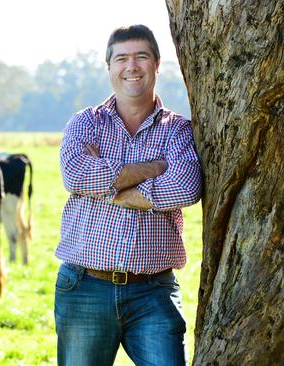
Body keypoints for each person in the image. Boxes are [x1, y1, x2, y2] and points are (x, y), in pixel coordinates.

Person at [54, 24, 202, 366]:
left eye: (141, 57)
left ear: (157, 64)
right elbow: (75, 174)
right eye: (121, 58)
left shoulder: (178, 129)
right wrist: (155, 168)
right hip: (85, 287)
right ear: (109, 67)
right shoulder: (86, 123)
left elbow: (187, 186)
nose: (131, 66)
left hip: (153, 292)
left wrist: (108, 185)